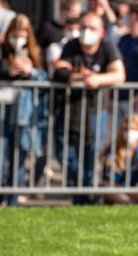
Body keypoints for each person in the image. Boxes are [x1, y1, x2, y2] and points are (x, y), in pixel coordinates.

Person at [52, 11, 125, 204]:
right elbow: (60, 70)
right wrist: (80, 77)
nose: (86, 32)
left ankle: (83, 197)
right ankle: (81, 190)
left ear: (101, 32)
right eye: (84, 27)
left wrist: (97, 79)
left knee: (90, 154)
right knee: (64, 154)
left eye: (92, 28)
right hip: (69, 109)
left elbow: (119, 74)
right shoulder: (71, 46)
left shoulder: (107, 47)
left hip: (94, 111)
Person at [0, 14, 46, 207]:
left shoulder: (35, 53)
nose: (18, 39)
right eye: (14, 34)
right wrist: (8, 72)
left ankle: (13, 200)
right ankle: (0, 193)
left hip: (23, 113)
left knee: (18, 156)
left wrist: (31, 72)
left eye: (22, 35)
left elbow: (45, 80)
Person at [101, 113, 138, 204]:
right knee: (120, 196)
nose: (130, 132)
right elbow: (109, 180)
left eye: (134, 129)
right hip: (117, 190)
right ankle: (130, 203)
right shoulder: (113, 148)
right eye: (127, 129)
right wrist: (132, 194)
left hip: (136, 189)